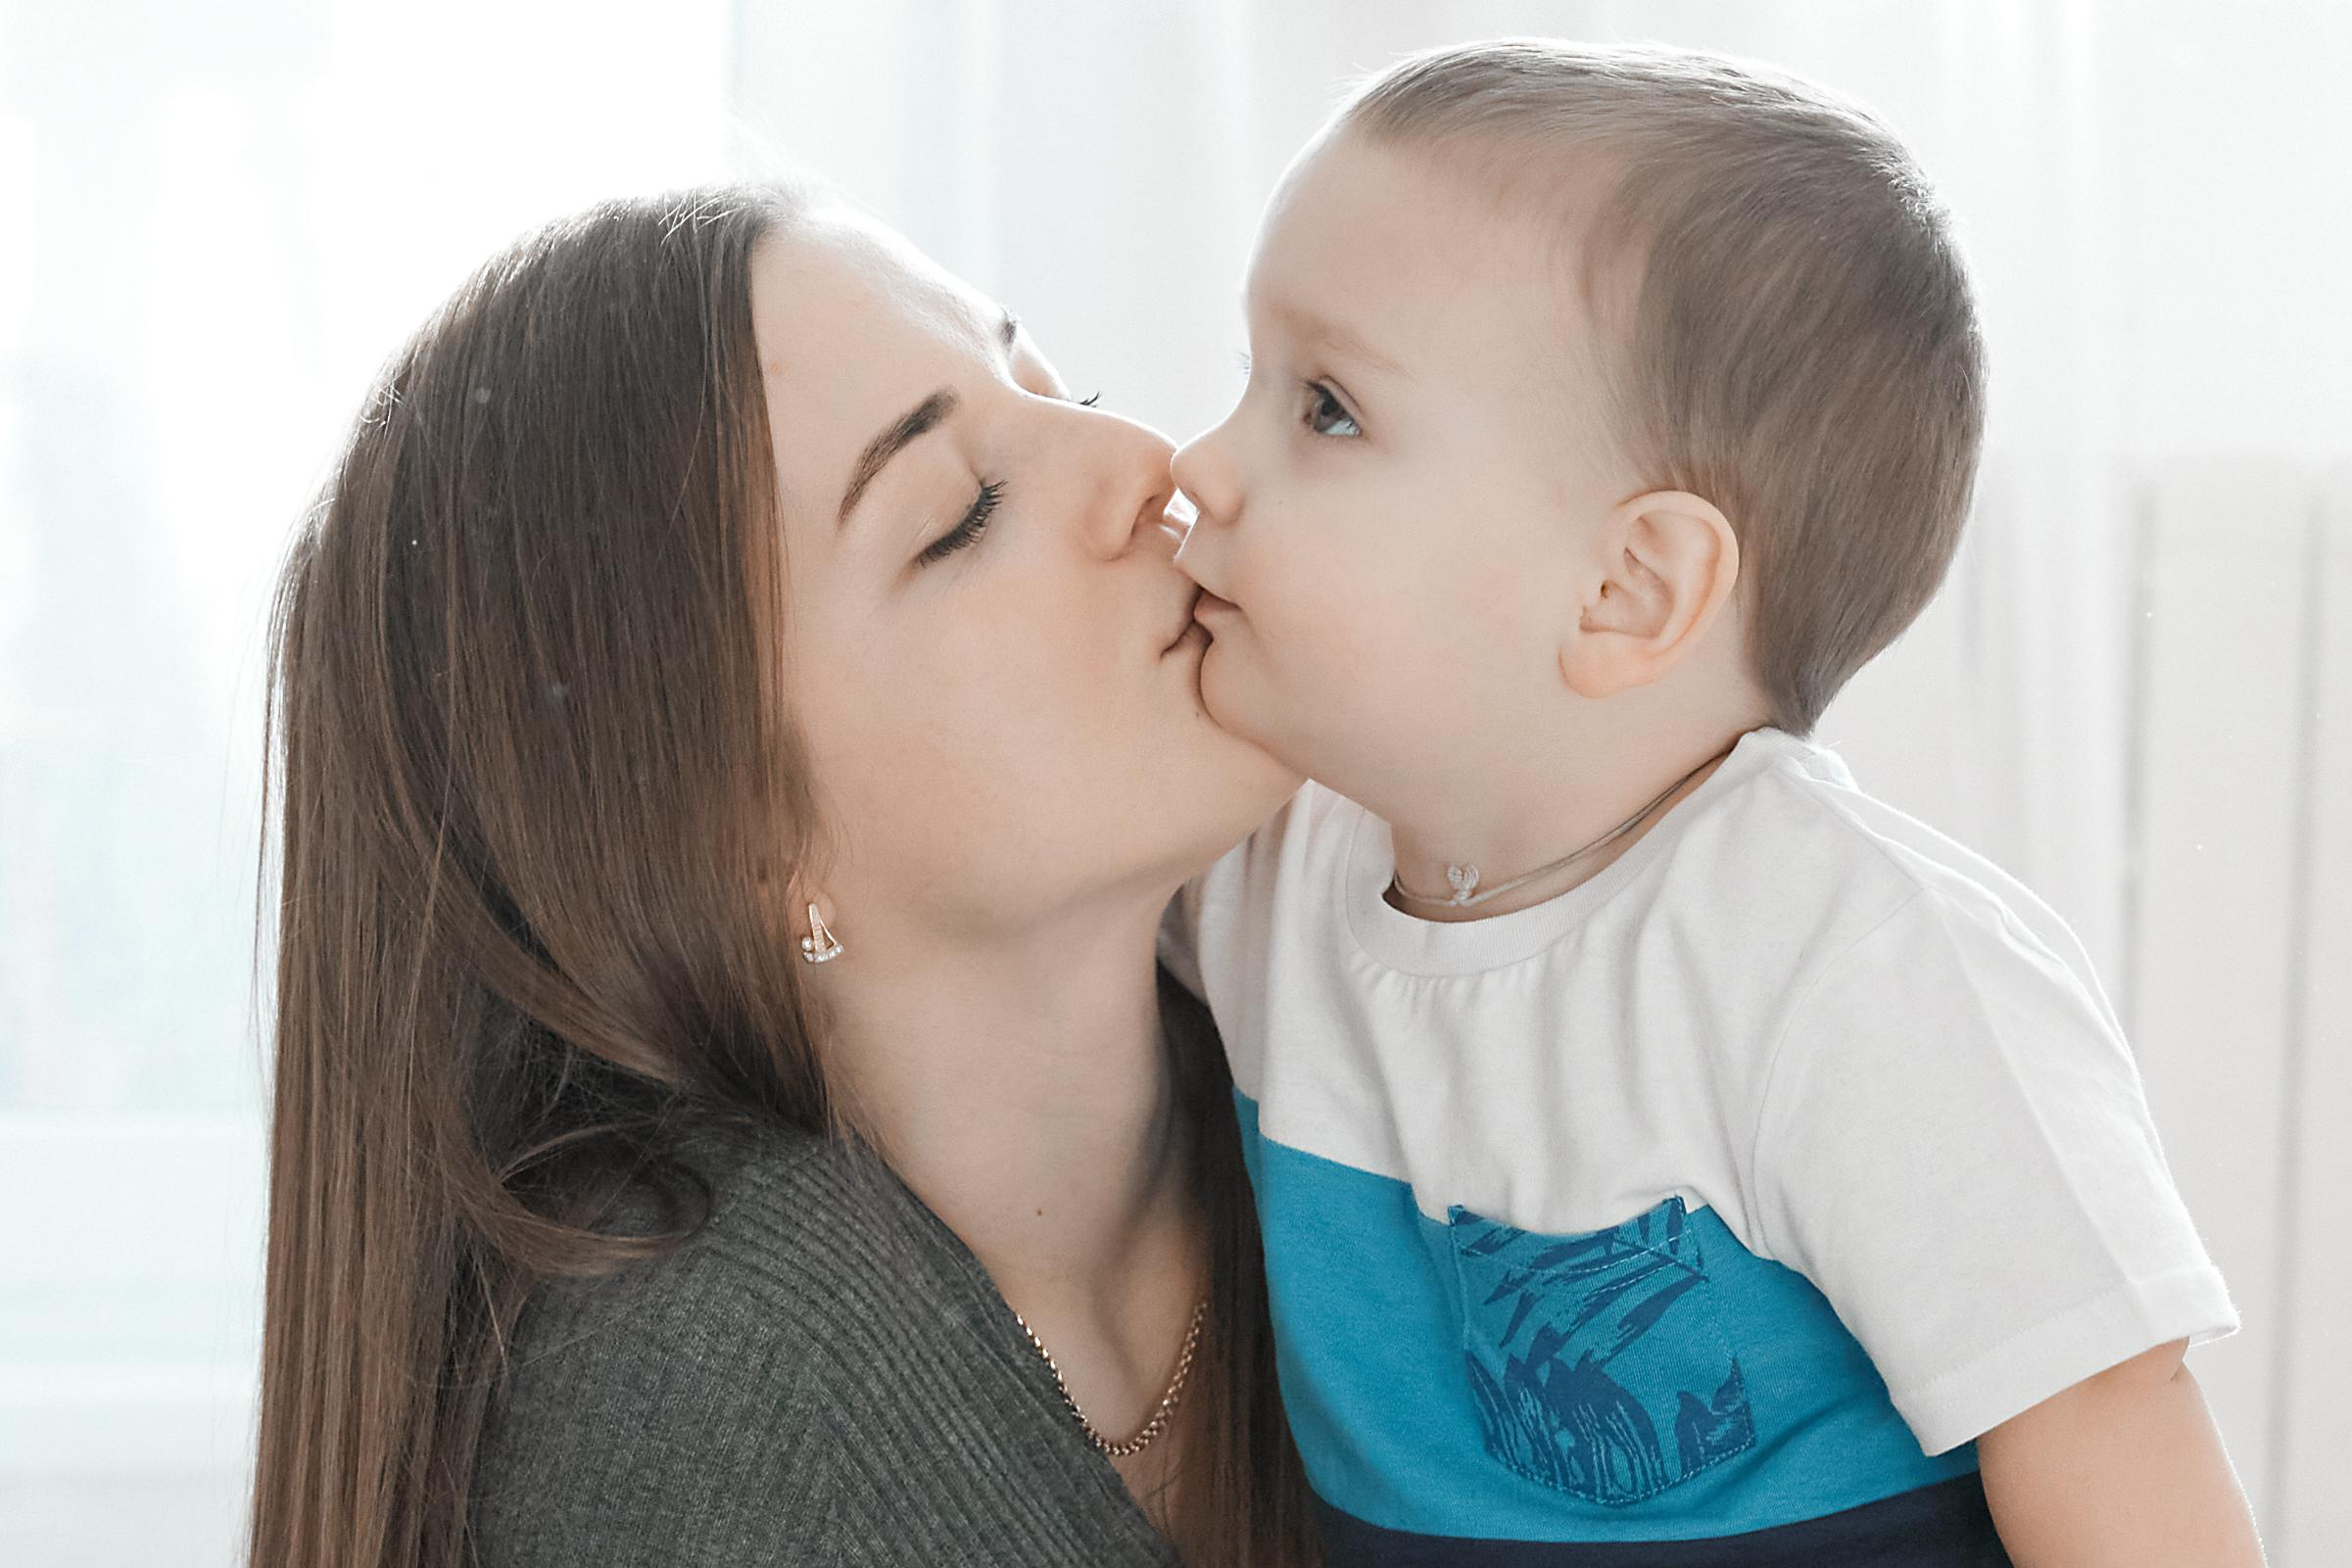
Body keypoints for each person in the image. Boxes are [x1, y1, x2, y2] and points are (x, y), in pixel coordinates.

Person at [1162, 39, 2263, 1566]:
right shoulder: (1254, 864)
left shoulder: (1851, 968)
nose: (1198, 465)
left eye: (1326, 409)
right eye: (1248, 380)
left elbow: (2108, 1428)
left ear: (1626, 588)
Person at [246, 178, 1318, 1568]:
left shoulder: (1377, 1062)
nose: (1143, 461)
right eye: (962, 512)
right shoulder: (701, 1403)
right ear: (739, 835)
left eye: (1061, 386)